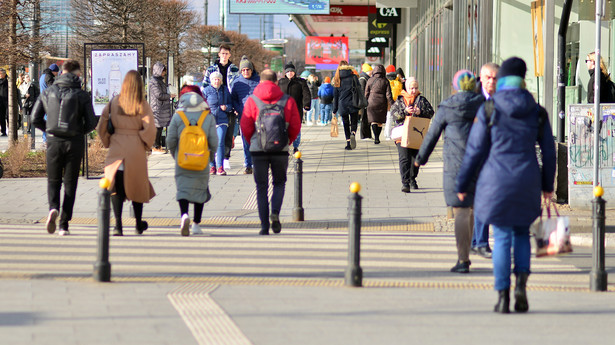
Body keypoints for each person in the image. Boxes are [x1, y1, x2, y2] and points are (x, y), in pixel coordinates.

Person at [456, 57, 556, 313]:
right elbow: (549, 152)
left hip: (495, 182)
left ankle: (503, 296)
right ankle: (521, 286)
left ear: (501, 80)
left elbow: (475, 150)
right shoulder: (537, 111)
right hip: (527, 181)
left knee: (500, 238)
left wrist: (463, 182)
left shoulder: (489, 109)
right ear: (523, 79)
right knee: (522, 233)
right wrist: (547, 186)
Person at [415, 70, 484, 273]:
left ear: (455, 87)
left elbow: (432, 134)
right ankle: (469, 247)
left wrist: (420, 159)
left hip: (456, 164)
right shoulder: (484, 104)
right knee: (471, 208)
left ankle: (463, 259)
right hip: (481, 163)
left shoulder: (447, 106)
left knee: (461, 210)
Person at [31, 59, 97, 236]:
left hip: (53, 142)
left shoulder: (49, 91)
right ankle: (64, 224)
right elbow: (91, 122)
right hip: (74, 143)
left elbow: (34, 118)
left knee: (53, 180)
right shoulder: (82, 95)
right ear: (77, 74)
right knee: (70, 183)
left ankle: (53, 208)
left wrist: (50, 130)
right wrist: (78, 131)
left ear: (61, 72)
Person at [240, 69, 301, 235]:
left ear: (260, 81)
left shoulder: (252, 100)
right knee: (279, 183)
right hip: (280, 149)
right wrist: (286, 142)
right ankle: (275, 212)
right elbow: (296, 125)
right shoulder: (286, 100)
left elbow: (245, 125)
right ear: (275, 82)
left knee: (261, 187)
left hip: (258, 150)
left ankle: (264, 226)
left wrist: (252, 142)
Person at [96, 70, 156, 236]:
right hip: (135, 149)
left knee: (116, 187)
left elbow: (102, 125)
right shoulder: (142, 104)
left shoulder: (114, 102)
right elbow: (150, 128)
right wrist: (145, 144)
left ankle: (118, 225)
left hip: (117, 148)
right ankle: (138, 224)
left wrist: (108, 141)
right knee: (137, 186)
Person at [167, 85, 218, 236]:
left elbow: (170, 140)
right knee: (200, 189)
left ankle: (184, 215)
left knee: (183, 188)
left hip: (182, 159)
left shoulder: (178, 116)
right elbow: (214, 140)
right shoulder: (207, 116)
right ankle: (196, 224)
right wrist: (210, 156)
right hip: (201, 158)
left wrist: (175, 154)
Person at [471, 62, 500, 259]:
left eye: (495, 78)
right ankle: (479, 242)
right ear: (480, 78)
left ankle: (478, 241)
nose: (491, 81)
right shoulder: (471, 98)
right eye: (487, 77)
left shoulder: (503, 98)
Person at [388, 77, 434, 190]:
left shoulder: (421, 100)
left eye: (416, 88)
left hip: (417, 134)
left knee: (415, 158)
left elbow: (431, 112)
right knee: (404, 158)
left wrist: (420, 112)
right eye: (411, 88)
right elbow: (394, 115)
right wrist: (405, 112)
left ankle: (412, 178)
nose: (414, 90)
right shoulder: (400, 100)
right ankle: (405, 182)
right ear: (407, 88)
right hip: (402, 134)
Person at [201, 44, 240, 170]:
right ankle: (214, 160)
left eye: (226, 53)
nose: (224, 56)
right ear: (219, 54)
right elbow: (204, 86)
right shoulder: (211, 69)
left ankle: (226, 158)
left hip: (229, 102)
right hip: (214, 105)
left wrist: (235, 105)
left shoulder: (234, 69)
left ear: (229, 55)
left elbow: (237, 86)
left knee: (229, 132)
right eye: (222, 53)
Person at [231, 56, 260, 175]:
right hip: (244, 116)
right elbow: (233, 99)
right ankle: (248, 165)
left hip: (258, 116)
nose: (245, 72)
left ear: (252, 70)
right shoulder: (237, 82)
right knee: (246, 141)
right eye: (243, 70)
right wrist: (239, 109)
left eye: (248, 69)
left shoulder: (258, 80)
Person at [203, 71, 232, 175]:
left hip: (222, 120)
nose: (216, 81)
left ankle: (220, 167)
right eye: (214, 79)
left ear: (221, 80)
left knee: (220, 142)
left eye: (218, 79)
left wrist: (226, 107)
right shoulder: (206, 91)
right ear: (211, 80)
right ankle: (212, 166)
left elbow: (230, 104)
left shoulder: (225, 90)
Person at [278, 62, 310, 153]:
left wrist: (306, 104)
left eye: (292, 71)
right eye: (288, 71)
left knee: (296, 128)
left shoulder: (300, 82)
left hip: (296, 109)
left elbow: (306, 93)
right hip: (283, 110)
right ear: (285, 73)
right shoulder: (281, 82)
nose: (290, 73)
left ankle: (295, 146)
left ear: (294, 72)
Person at [332, 61, 361, 150]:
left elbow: (335, 96)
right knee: (354, 121)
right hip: (353, 103)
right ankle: (353, 133)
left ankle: (348, 142)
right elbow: (359, 90)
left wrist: (334, 110)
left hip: (342, 104)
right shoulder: (354, 77)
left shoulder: (337, 78)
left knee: (345, 123)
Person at [149, 62, 175, 153]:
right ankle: (155, 146)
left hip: (161, 107)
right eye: (163, 71)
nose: (164, 73)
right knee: (157, 127)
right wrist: (169, 96)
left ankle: (158, 145)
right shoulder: (154, 82)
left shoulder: (159, 81)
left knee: (159, 127)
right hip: (157, 107)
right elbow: (158, 95)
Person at [365, 64, 394, 144]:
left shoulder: (370, 80)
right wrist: (392, 104)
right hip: (382, 103)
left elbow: (366, 93)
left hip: (371, 102)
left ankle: (376, 137)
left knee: (373, 121)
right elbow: (388, 95)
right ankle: (377, 137)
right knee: (380, 122)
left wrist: (365, 101)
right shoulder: (385, 81)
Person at [38, 64, 59, 144]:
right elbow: (53, 89)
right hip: (48, 101)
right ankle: (46, 139)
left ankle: (45, 138)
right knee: (49, 120)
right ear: (53, 71)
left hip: (43, 100)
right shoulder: (49, 77)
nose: (57, 74)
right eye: (56, 72)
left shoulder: (42, 76)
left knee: (46, 119)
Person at [358, 63, 372, 139]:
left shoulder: (366, 78)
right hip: (364, 102)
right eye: (370, 71)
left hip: (365, 101)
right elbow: (363, 91)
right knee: (364, 118)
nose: (371, 72)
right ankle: (363, 135)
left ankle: (367, 135)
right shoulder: (363, 79)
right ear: (367, 71)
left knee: (367, 118)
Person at [0, 69, 8, 136]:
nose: (0, 75)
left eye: (1, 73)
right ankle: (3, 131)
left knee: (8, 116)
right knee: (1, 117)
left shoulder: (8, 81)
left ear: (4, 74)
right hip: (0, 102)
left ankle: (10, 130)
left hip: (8, 102)